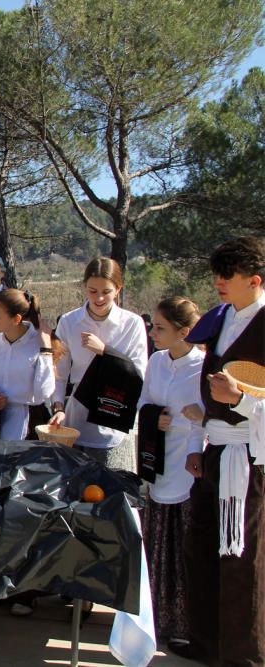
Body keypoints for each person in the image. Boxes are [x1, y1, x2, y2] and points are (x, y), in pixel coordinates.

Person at [181, 236, 265, 665]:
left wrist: (242, 402)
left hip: (251, 458)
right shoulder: (219, 318)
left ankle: (243, 654)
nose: (217, 282)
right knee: (204, 548)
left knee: (243, 556)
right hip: (215, 451)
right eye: (215, 273)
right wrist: (198, 442)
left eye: (226, 276)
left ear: (254, 280)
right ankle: (206, 643)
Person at [136, 297, 203, 648]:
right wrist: (153, 416)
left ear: (185, 332)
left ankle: (184, 623)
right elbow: (144, 402)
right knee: (157, 537)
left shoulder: (202, 366)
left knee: (181, 540)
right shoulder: (157, 361)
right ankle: (157, 618)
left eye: (160, 328)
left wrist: (182, 425)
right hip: (157, 459)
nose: (153, 332)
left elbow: (202, 418)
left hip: (186, 461)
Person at [49, 258, 148, 472]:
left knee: (112, 490)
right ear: (84, 287)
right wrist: (58, 406)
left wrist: (105, 351)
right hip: (76, 419)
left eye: (106, 291)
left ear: (118, 289)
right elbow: (59, 371)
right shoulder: (69, 321)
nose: (99, 298)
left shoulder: (132, 323)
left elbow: (138, 373)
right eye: (93, 291)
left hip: (114, 419)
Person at [0, 289, 56, 440]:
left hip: (28, 422)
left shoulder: (39, 342)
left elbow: (44, 392)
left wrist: (46, 350)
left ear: (16, 319)